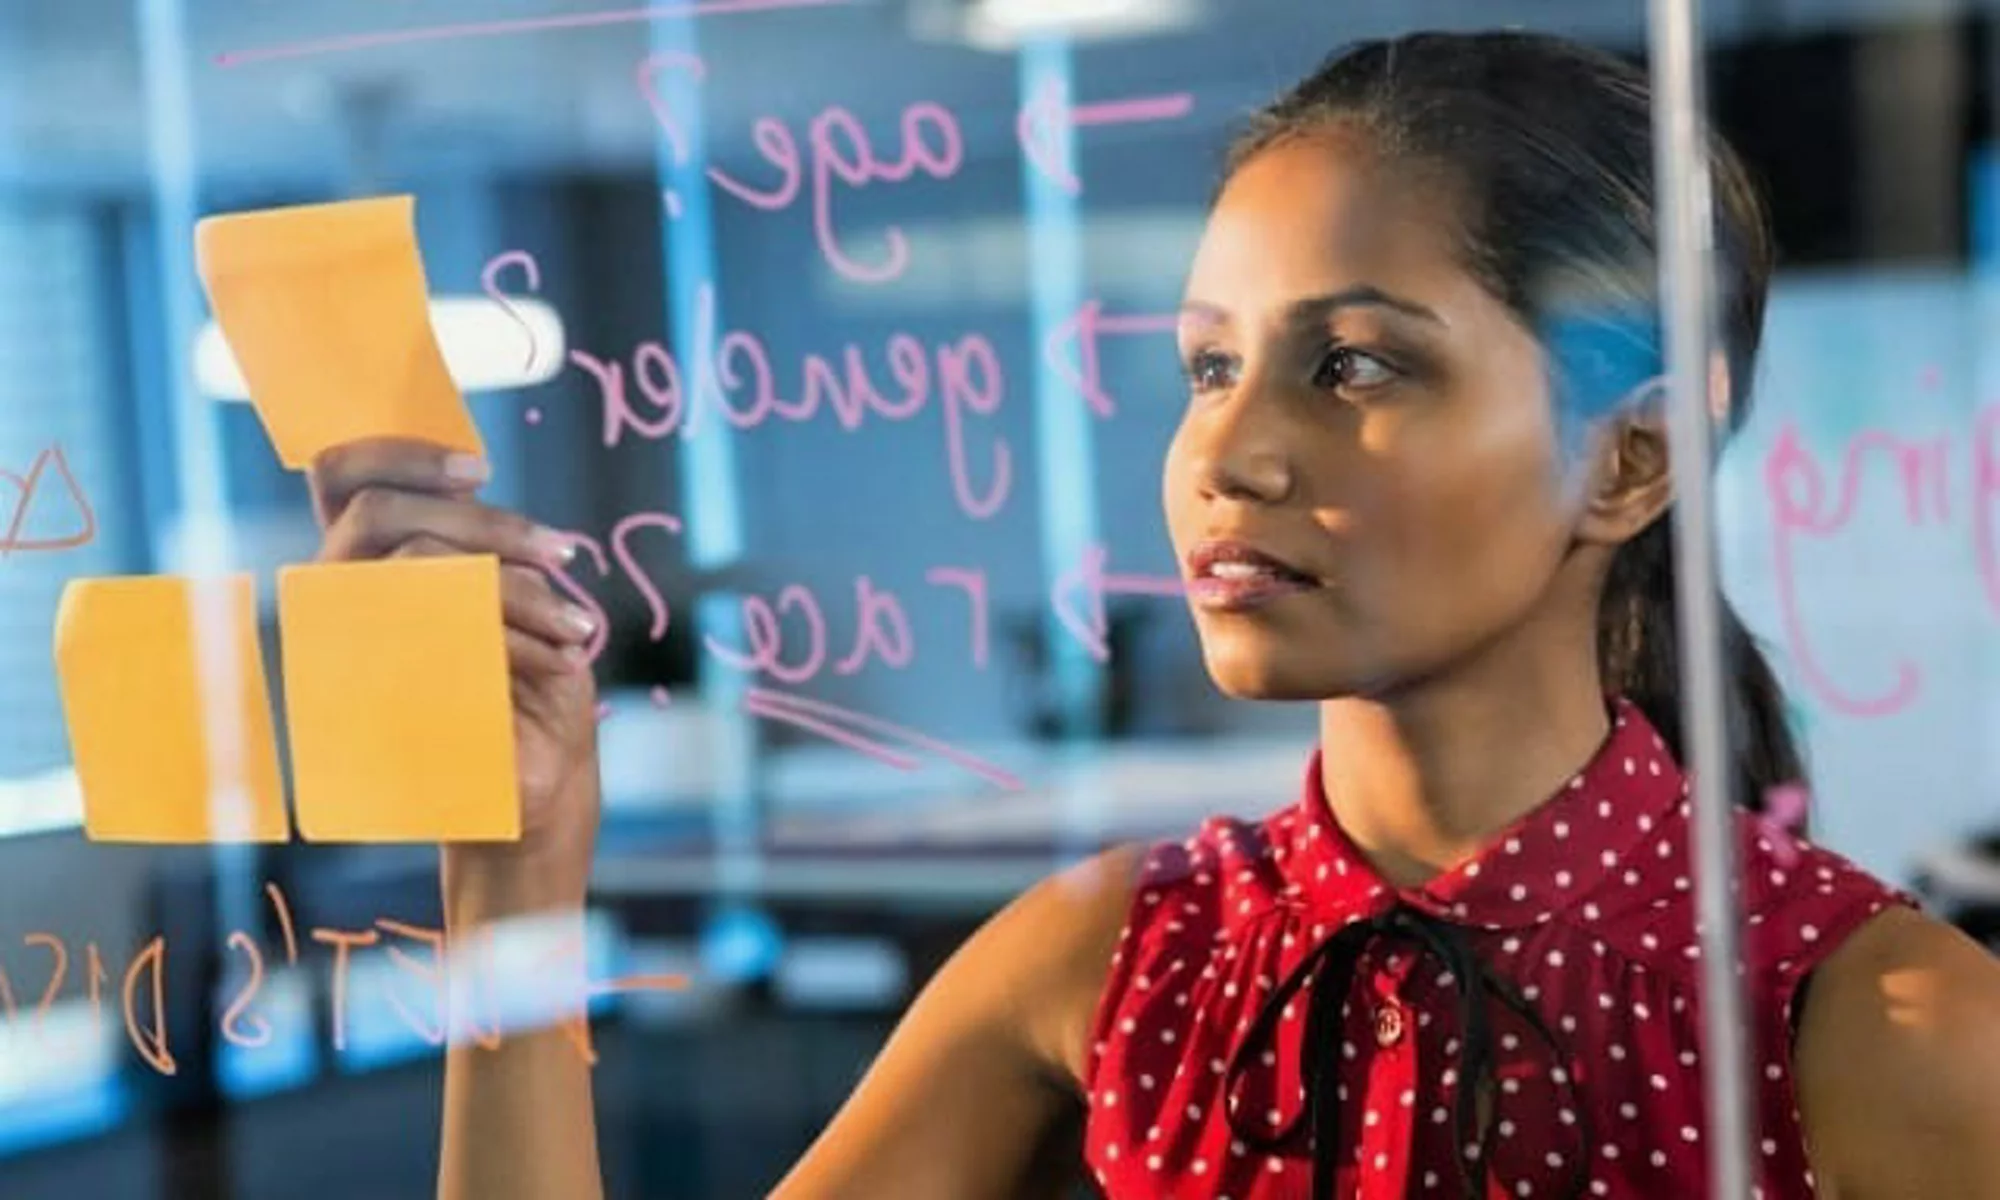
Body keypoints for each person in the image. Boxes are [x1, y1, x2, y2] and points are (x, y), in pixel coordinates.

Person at [308, 29, 2000, 1200]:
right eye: (1208, 365)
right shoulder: (1116, 959)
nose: (1226, 451)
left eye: (1354, 364)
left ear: (1629, 459)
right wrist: (514, 884)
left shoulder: (1871, 1024)